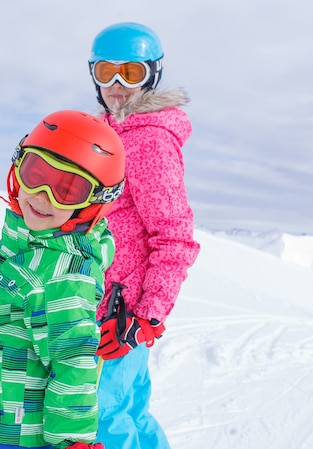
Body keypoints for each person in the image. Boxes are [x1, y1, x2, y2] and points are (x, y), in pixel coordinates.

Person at [0, 110, 127, 449]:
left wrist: (71, 441)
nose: (42, 195)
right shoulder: (15, 244)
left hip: (26, 440)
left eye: (68, 189)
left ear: (92, 204)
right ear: (18, 169)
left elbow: (73, 364)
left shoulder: (66, 276)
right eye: (37, 173)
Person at [87, 22, 201, 449]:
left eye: (130, 73)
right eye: (106, 72)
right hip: (100, 302)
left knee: (102, 419)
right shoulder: (105, 134)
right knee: (129, 408)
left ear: (152, 74)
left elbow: (174, 237)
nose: (117, 85)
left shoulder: (149, 140)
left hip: (118, 316)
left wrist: (147, 316)